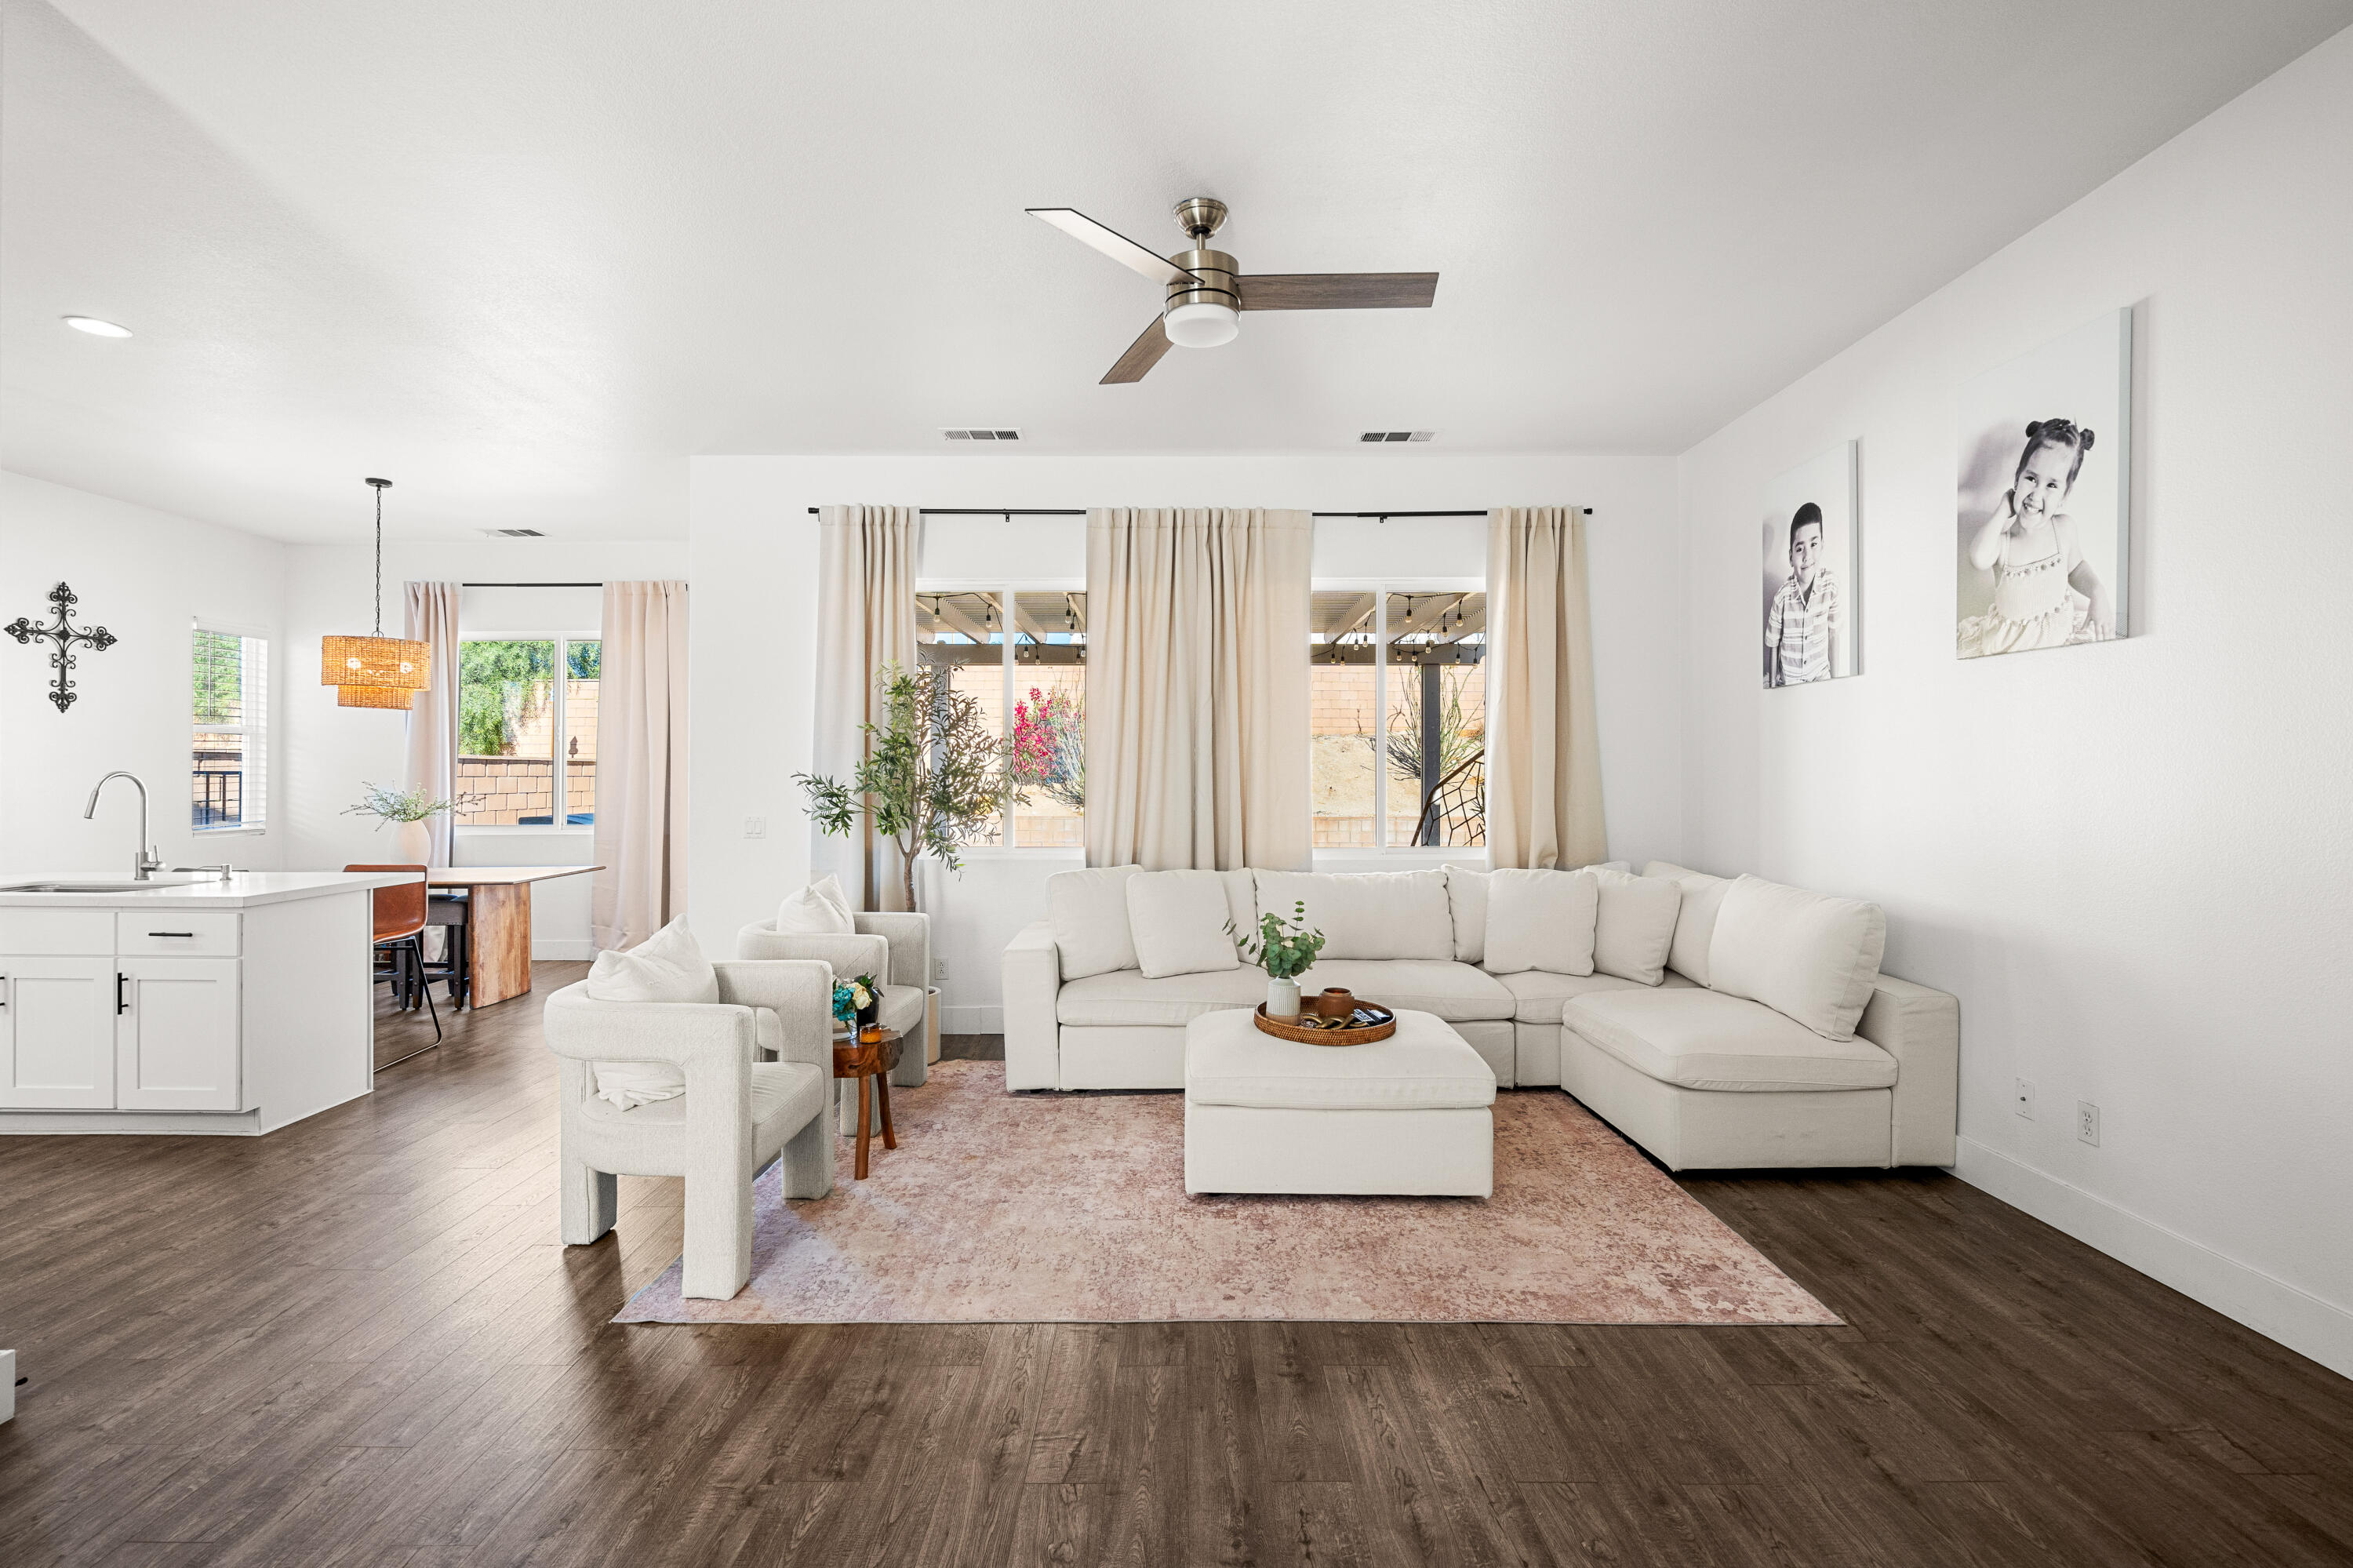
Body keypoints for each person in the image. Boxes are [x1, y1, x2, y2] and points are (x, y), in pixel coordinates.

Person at [1958, 417, 2115, 658]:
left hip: (2058, 639)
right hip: (2011, 649)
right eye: (2031, 479)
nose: (2036, 493)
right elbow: (1978, 558)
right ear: (2017, 480)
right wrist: (2003, 508)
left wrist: (2097, 592)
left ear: (2065, 494)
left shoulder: (2063, 529)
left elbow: (2077, 569)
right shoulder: (2004, 543)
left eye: (2052, 485)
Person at [1765, 502, 1839, 686]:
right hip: (1789, 682)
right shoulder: (1782, 597)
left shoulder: (1830, 586)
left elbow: (1833, 634)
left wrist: (1836, 684)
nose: (1807, 556)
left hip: (1820, 678)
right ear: (1791, 557)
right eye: (1800, 548)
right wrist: (1773, 685)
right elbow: (1773, 643)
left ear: (1822, 545)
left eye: (1813, 544)